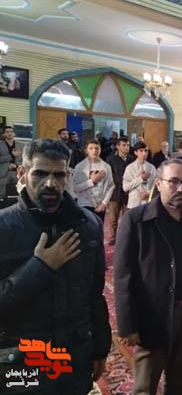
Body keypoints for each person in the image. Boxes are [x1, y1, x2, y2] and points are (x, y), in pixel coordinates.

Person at [0, 138, 111, 393]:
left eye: (59, 175)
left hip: (74, 357)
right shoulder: (4, 228)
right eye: (40, 174)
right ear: (22, 173)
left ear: (68, 176)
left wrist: (100, 348)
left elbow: (95, 294)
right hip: (22, 364)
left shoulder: (88, 225)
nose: (50, 183)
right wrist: (40, 267)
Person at [114, 158, 182, 395]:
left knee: (180, 381)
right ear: (159, 183)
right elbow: (123, 275)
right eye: (173, 182)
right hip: (152, 316)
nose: (181, 188)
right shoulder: (136, 219)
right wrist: (127, 324)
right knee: (145, 385)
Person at [73, 140, 115, 222]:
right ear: (86, 150)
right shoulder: (80, 167)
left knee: (99, 227)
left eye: (96, 148)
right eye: (91, 148)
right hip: (85, 203)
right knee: (86, 228)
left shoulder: (106, 167)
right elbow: (75, 187)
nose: (94, 151)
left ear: (100, 150)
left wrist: (104, 203)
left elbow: (111, 186)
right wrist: (91, 181)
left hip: (100, 203)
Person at [105, 137, 134, 245]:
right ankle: (113, 238)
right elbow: (110, 175)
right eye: (124, 145)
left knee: (127, 219)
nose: (126, 147)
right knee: (113, 219)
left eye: (128, 145)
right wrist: (124, 181)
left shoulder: (132, 159)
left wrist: (128, 184)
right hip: (115, 192)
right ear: (118, 146)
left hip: (129, 193)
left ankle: (125, 238)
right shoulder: (110, 159)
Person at [123, 141, 157, 209]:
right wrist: (140, 179)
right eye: (141, 151)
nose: (144, 153)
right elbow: (125, 187)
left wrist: (148, 193)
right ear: (135, 152)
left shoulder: (152, 168)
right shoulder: (130, 168)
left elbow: (156, 186)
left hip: (148, 203)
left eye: (146, 151)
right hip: (134, 204)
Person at [0, 126, 24, 198]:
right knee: (2, 194)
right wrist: (11, 155)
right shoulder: (0, 145)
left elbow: (25, 160)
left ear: (14, 134)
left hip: (18, 172)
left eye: (11, 132)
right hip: (4, 173)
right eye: (7, 132)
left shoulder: (21, 145)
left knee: (19, 194)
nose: (9, 133)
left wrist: (16, 165)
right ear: (4, 134)